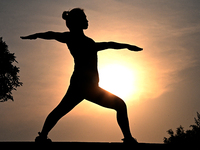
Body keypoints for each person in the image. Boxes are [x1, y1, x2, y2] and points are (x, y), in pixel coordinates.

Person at [21, 8, 143, 143]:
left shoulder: (89, 42)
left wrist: (127, 46)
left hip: (87, 86)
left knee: (60, 110)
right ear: (77, 21)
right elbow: (51, 34)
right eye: (84, 18)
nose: (87, 21)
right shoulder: (71, 38)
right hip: (82, 85)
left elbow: (109, 44)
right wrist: (36, 35)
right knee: (119, 105)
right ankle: (128, 139)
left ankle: (42, 136)